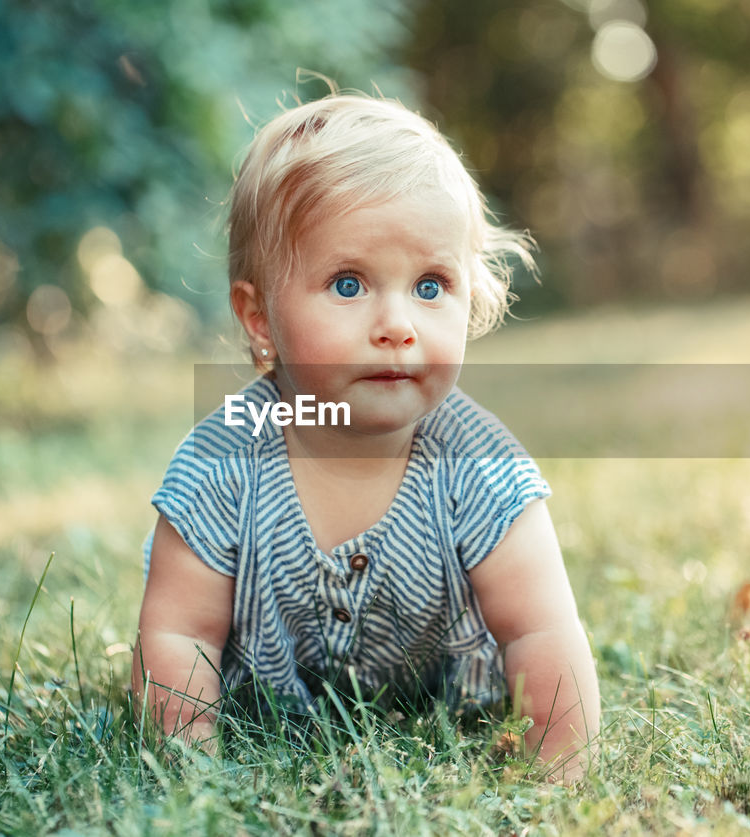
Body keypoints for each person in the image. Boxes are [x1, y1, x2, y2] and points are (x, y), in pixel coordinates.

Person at [132, 93, 600, 782]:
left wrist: (557, 777)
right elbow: (179, 633)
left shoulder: (478, 465)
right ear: (259, 318)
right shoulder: (224, 460)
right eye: (348, 284)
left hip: (439, 703)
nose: (397, 323)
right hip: (260, 709)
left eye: (431, 285)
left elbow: (541, 629)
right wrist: (191, 771)